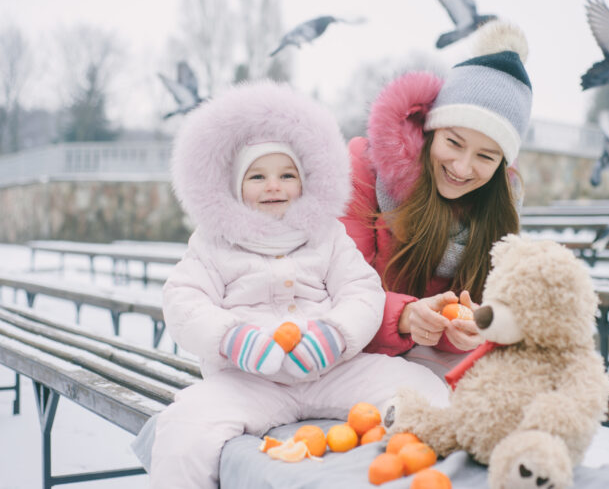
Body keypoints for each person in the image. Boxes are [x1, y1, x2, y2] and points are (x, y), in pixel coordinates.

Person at [146, 81, 449, 488]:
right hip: (249, 379)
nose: (274, 185)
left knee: (424, 390)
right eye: (258, 176)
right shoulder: (213, 243)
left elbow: (361, 290)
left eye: (286, 174)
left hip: (331, 368)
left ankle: (430, 460)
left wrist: (335, 336)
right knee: (183, 430)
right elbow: (184, 301)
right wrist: (232, 339)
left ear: (304, 183)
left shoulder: (326, 235)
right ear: (236, 188)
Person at [341, 21, 533, 373]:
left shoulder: (497, 211)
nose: (462, 167)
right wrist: (403, 316)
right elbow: (335, 291)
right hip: (345, 361)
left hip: (425, 369)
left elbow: (477, 306)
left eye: (486, 156)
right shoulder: (366, 171)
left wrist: (464, 329)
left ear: (502, 166)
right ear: (431, 130)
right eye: (453, 142)